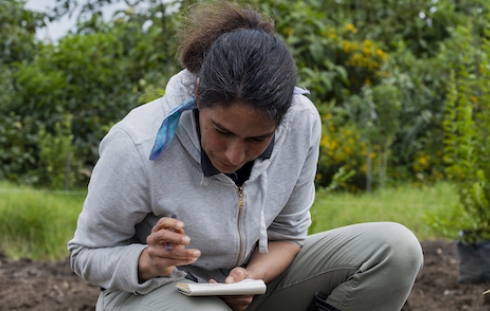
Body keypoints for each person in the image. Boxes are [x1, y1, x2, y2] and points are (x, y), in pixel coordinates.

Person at [67, 2, 423, 311]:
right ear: (199, 96)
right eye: (221, 131)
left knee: (396, 251)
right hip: (154, 293)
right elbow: (86, 254)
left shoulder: (301, 122)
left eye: (257, 139)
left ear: (281, 120)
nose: (234, 154)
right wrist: (148, 260)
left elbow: (287, 235)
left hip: (247, 293)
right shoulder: (137, 143)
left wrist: (248, 279)